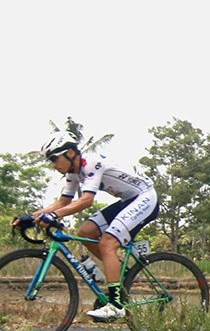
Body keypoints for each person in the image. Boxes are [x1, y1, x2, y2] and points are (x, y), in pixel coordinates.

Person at [19, 132, 159, 320]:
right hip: (128, 200)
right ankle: (119, 273)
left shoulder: (90, 163)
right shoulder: (73, 173)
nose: (53, 165)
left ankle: (116, 306)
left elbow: (86, 201)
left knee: (107, 243)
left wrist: (53, 216)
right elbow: (62, 202)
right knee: (86, 232)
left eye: (54, 158)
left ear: (69, 152)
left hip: (145, 197)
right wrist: (31, 216)